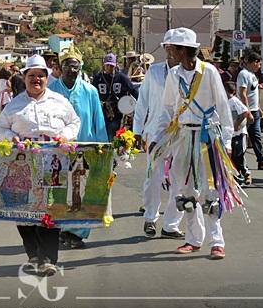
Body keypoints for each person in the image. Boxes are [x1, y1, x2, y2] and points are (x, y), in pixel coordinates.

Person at [149, 27, 237, 260]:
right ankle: (193, 240)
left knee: (210, 191)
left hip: (208, 138)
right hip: (182, 137)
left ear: (183, 49)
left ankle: (216, 242)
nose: (168, 52)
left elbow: (223, 107)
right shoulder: (174, 74)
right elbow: (167, 109)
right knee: (185, 191)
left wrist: (227, 142)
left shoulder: (209, 72)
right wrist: (157, 138)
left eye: (171, 48)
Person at [0, 54, 80, 276]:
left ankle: (48, 259)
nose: (36, 79)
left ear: (46, 78)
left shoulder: (59, 101)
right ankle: (33, 253)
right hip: (23, 166)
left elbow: (74, 122)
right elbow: (0, 128)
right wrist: (11, 138)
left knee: (50, 210)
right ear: (24, 78)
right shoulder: (14, 105)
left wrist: (65, 135)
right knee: (23, 209)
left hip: (54, 163)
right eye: (31, 75)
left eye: (41, 75)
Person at [49, 43, 108, 248]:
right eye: (68, 66)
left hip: (85, 150)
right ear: (60, 67)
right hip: (58, 151)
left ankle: (78, 232)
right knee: (59, 190)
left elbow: (98, 121)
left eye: (76, 66)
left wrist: (103, 149)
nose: (72, 70)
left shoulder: (90, 91)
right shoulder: (50, 92)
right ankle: (62, 228)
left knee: (81, 191)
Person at [133, 29, 185, 240]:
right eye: (167, 48)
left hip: (182, 135)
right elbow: (142, 102)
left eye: (174, 48)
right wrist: (137, 131)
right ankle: (150, 217)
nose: (170, 52)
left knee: (179, 180)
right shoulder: (153, 72)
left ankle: (171, 225)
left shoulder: (190, 73)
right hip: (155, 134)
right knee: (153, 178)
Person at [236, 52, 263, 170]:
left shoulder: (252, 75)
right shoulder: (244, 74)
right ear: (255, 62)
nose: (259, 66)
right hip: (246, 112)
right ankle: (239, 164)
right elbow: (243, 94)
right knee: (241, 138)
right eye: (259, 64)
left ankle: (262, 161)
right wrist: (247, 112)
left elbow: (253, 94)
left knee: (256, 137)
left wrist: (259, 108)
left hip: (254, 110)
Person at [93, 53, 139, 142]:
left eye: (112, 66)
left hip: (116, 112)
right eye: (107, 65)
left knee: (112, 135)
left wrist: (141, 103)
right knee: (101, 134)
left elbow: (133, 90)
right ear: (104, 65)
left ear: (115, 65)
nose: (109, 68)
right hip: (101, 111)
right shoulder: (98, 78)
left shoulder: (121, 77)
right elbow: (92, 94)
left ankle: (111, 149)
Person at [224, 81, 251, 186]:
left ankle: (246, 173)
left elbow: (245, 112)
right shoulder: (224, 101)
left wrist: (237, 124)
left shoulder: (234, 101)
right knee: (232, 156)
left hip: (239, 133)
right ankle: (237, 176)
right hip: (230, 133)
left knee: (239, 155)